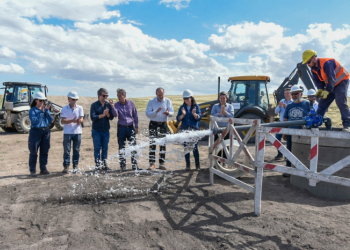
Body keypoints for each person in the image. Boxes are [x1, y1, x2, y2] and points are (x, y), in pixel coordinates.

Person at [302, 50, 350, 131]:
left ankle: (347, 125)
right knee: (322, 103)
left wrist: (327, 91)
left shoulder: (327, 63)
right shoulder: (313, 69)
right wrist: (320, 89)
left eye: (309, 62)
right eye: (307, 63)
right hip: (330, 85)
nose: (308, 64)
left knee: (340, 101)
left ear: (314, 58)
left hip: (342, 81)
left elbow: (332, 79)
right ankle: (315, 123)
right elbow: (318, 81)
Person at [282, 85, 310, 177]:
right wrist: (284, 132)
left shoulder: (307, 104)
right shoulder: (289, 106)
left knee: (302, 151)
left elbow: (311, 117)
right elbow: (285, 119)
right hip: (291, 132)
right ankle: (289, 169)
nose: (294, 95)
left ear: (301, 94)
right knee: (289, 151)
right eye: (292, 94)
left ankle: (302, 171)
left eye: (296, 93)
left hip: (303, 133)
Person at [111, 88, 140, 171]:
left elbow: (135, 115)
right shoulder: (116, 105)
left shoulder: (131, 103)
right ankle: (122, 166)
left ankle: (134, 166)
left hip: (131, 128)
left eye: (120, 96)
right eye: (118, 96)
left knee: (133, 147)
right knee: (121, 148)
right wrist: (113, 107)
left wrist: (136, 126)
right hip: (121, 128)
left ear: (125, 96)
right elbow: (115, 115)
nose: (119, 98)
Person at [145, 87, 174, 170]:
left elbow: (172, 113)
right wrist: (156, 111)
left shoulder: (168, 101)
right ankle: (152, 163)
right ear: (156, 94)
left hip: (163, 124)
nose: (161, 96)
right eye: (159, 95)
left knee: (162, 144)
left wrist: (168, 113)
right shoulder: (151, 101)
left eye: (162, 95)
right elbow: (147, 114)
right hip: (153, 124)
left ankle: (161, 163)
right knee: (152, 144)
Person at [28, 92, 52, 177]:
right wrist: (42, 112)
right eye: (41, 101)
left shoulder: (45, 110)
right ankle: (33, 170)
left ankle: (43, 168)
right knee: (34, 151)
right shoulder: (32, 110)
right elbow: (35, 121)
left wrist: (47, 111)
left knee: (45, 150)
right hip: (35, 131)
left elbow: (50, 120)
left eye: (44, 101)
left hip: (45, 131)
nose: (42, 102)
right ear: (36, 100)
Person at [176, 89, 202, 170]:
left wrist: (194, 114)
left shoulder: (196, 106)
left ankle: (197, 164)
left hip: (194, 130)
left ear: (191, 98)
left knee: (195, 147)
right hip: (185, 130)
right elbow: (178, 118)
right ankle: (188, 165)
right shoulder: (182, 107)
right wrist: (183, 115)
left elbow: (199, 117)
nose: (186, 100)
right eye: (184, 98)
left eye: (187, 98)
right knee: (186, 147)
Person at [90, 88, 114, 171]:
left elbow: (111, 117)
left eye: (107, 96)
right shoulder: (94, 105)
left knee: (105, 148)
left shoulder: (108, 105)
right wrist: (103, 115)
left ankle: (104, 165)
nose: (105, 97)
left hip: (106, 130)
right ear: (99, 96)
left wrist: (107, 114)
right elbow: (93, 117)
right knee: (97, 148)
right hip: (96, 130)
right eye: (104, 96)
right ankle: (97, 166)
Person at [61, 90, 84, 174]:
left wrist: (79, 121)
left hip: (77, 132)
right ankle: (66, 166)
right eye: (73, 99)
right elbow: (63, 120)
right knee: (67, 150)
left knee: (76, 150)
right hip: (67, 132)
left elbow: (82, 118)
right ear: (69, 99)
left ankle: (75, 166)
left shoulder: (80, 108)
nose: (75, 101)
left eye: (76, 99)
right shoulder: (64, 108)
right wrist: (72, 120)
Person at [210, 91, 235, 159]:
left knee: (226, 145)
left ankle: (225, 162)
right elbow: (212, 115)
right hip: (217, 129)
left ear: (226, 98)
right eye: (221, 98)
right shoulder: (215, 106)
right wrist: (220, 113)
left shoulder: (230, 106)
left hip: (226, 129)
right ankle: (217, 161)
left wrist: (224, 111)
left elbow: (232, 116)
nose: (222, 99)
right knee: (217, 145)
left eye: (224, 98)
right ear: (219, 98)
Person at [274, 88, 292, 160]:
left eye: (288, 93)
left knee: (288, 139)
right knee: (277, 138)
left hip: (289, 123)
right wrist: (279, 107)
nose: (286, 95)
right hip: (281, 123)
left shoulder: (292, 102)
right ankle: (280, 153)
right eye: (285, 93)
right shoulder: (282, 101)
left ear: (291, 94)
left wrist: (287, 108)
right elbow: (275, 112)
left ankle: (287, 155)